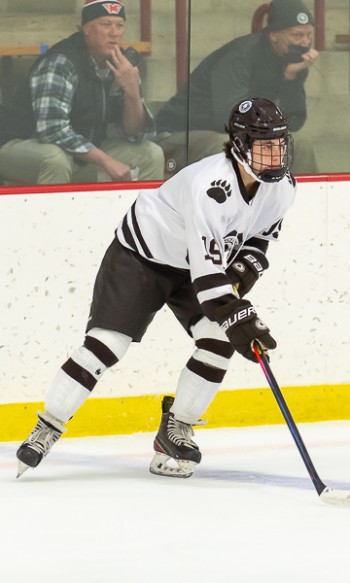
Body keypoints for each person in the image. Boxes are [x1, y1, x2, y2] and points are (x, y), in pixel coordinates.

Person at [16, 97, 296, 479]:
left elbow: (256, 243)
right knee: (107, 345)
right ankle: (45, 428)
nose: (275, 155)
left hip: (194, 267)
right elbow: (208, 278)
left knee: (218, 339)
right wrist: (237, 315)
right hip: (141, 258)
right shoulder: (210, 187)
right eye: (265, 147)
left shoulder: (281, 187)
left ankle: (175, 429)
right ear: (240, 145)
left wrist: (238, 294)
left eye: (280, 145)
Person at [0, 0, 164, 184]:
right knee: (54, 160)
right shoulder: (62, 62)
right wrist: (106, 161)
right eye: (106, 25)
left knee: (151, 154)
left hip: (82, 149)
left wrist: (131, 91)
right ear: (86, 29)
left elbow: (136, 134)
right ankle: (52, 213)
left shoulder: (124, 65)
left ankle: (139, 213)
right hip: (19, 144)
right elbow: (52, 130)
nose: (114, 33)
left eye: (120, 26)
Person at [155, 0, 319, 176]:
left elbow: (295, 121)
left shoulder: (292, 63)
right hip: (179, 133)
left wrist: (290, 78)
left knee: (299, 143)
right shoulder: (240, 56)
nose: (305, 42)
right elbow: (228, 119)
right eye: (297, 35)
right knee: (228, 147)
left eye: (309, 35)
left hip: (235, 133)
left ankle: (301, 203)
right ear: (274, 34)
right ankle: (237, 204)